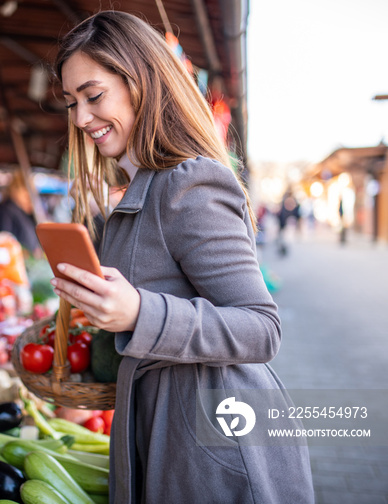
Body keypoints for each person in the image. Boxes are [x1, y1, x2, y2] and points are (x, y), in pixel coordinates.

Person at [49, 11, 313, 503]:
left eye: (93, 96)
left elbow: (261, 328)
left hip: (215, 450)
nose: (81, 118)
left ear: (141, 83)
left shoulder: (188, 183)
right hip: (172, 433)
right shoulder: (143, 187)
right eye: (72, 102)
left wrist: (138, 312)